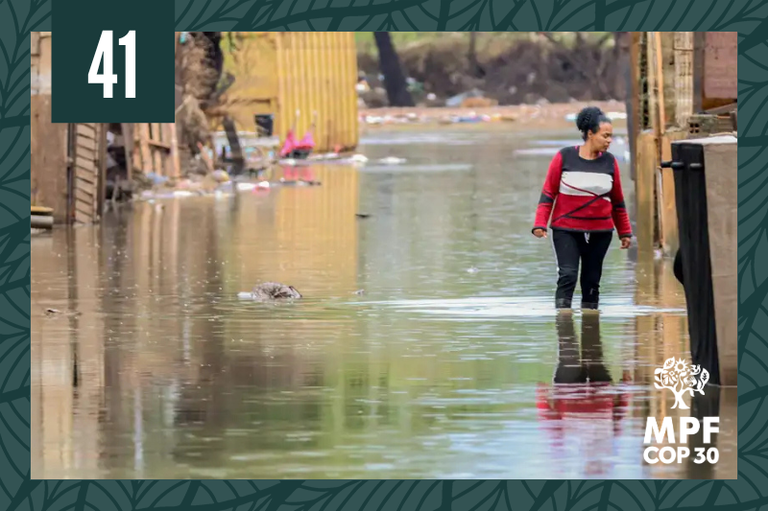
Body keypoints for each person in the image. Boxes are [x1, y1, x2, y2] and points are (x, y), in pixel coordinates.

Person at [532, 106, 633, 310]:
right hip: (566, 229)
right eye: (605, 135)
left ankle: (590, 324)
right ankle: (564, 323)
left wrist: (625, 232)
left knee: (592, 281)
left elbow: (617, 201)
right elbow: (549, 193)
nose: (609, 140)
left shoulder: (610, 162)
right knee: (567, 275)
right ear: (590, 134)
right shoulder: (565, 157)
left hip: (600, 231)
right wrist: (539, 224)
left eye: (611, 136)